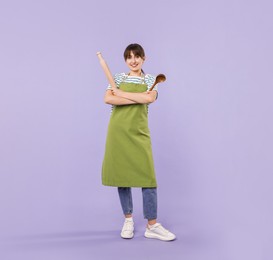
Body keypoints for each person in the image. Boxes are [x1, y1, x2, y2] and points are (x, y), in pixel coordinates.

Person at [102, 43, 176, 241]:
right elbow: (108, 99)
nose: (133, 60)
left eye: (137, 56)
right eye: (129, 57)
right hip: (118, 131)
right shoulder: (118, 78)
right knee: (122, 177)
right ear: (125, 60)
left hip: (139, 132)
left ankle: (152, 225)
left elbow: (150, 98)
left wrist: (122, 94)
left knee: (148, 177)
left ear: (144, 58)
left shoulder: (152, 79)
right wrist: (137, 97)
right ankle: (128, 220)